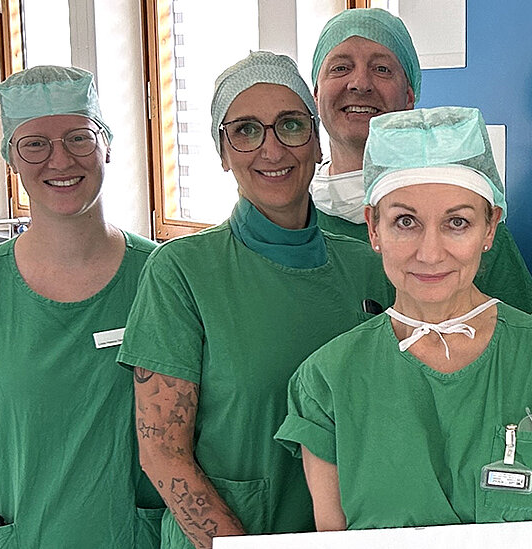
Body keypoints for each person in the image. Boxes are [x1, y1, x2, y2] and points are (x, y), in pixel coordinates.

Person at [275, 106, 532, 530]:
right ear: (374, 228)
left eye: (457, 222)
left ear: (490, 228)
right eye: (405, 221)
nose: (431, 253)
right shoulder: (326, 382)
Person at [119, 51, 392, 548]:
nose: (272, 149)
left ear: (316, 142)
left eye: (291, 125)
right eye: (245, 130)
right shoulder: (182, 272)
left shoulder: (370, 268)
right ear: (223, 153)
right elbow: (162, 453)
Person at [0, 66, 165, 548]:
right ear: (11, 160)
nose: (60, 159)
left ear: (106, 145)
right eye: (35, 144)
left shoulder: (163, 278)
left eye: (79, 138)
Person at [309, 8, 532, 312]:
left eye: (382, 69)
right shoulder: (297, 223)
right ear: (316, 94)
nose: (360, 83)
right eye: (341, 68)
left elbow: (520, 332)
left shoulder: (469, 216)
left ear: (409, 96)